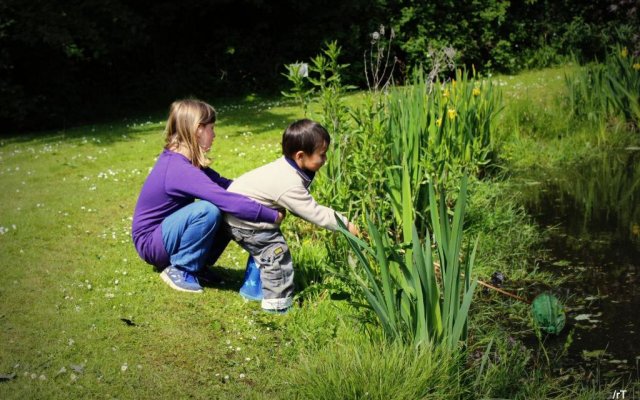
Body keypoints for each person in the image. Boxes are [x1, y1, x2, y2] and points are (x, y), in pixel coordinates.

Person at [131, 99, 284, 293]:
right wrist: (270, 215)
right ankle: (182, 268)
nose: (214, 134)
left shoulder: (188, 162)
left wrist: (264, 196)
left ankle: (197, 265)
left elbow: (228, 186)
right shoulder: (179, 169)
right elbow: (225, 199)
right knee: (208, 210)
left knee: (219, 207)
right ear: (198, 129)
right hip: (151, 242)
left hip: (164, 236)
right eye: (211, 128)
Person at [225, 119, 359, 313]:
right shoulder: (288, 182)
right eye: (322, 155)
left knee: (264, 253)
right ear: (300, 156)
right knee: (276, 254)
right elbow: (315, 212)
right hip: (245, 221)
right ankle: (277, 305)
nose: (326, 159)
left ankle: (253, 289)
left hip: (238, 214)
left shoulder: (288, 167)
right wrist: (345, 225)